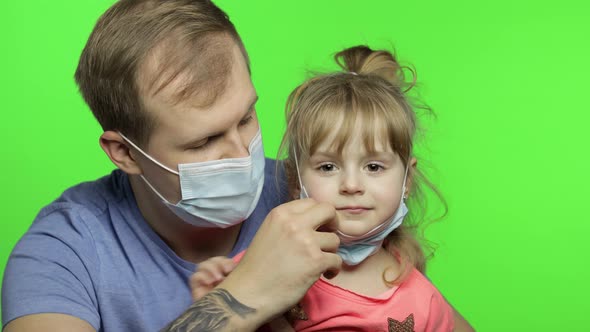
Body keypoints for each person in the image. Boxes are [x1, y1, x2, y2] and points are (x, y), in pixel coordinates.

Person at [2, 1, 473, 331]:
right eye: (204, 140)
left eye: (247, 117)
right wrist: (243, 298)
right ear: (124, 152)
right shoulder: (63, 253)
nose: (241, 152)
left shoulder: (317, 187)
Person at [191, 45, 460, 331]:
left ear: (406, 181)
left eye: (374, 167)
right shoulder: (268, 265)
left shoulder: (424, 303)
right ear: (296, 182)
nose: (352, 185)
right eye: (328, 167)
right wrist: (218, 300)